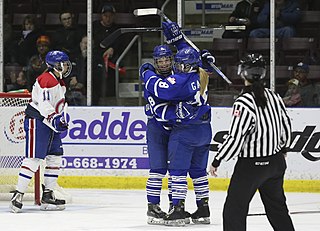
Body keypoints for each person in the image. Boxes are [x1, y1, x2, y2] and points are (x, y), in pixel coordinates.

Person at [209, 53, 295, 231]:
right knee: (277, 208)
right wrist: (283, 148)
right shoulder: (274, 96)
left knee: (234, 210)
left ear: (243, 73)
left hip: (251, 166)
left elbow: (235, 137)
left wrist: (218, 159)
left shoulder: (243, 102)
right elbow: (286, 125)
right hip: (276, 163)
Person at [140, 22, 214, 226]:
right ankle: (198, 209)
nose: (164, 64)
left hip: (180, 130)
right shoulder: (200, 73)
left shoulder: (177, 80)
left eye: (167, 60)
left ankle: (178, 209)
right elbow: (190, 54)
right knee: (165, 169)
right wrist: (178, 39)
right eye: (160, 60)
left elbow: (160, 93)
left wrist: (146, 74)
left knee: (177, 172)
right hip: (192, 128)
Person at [9, 50, 72, 213]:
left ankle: (48, 195)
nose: (65, 67)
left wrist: (61, 118)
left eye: (66, 63)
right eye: (62, 64)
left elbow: (58, 105)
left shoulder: (60, 81)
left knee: (55, 156)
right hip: (38, 122)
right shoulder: (46, 79)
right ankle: (18, 195)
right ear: (54, 66)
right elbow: (44, 105)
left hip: (49, 123)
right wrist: (55, 119)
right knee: (34, 159)